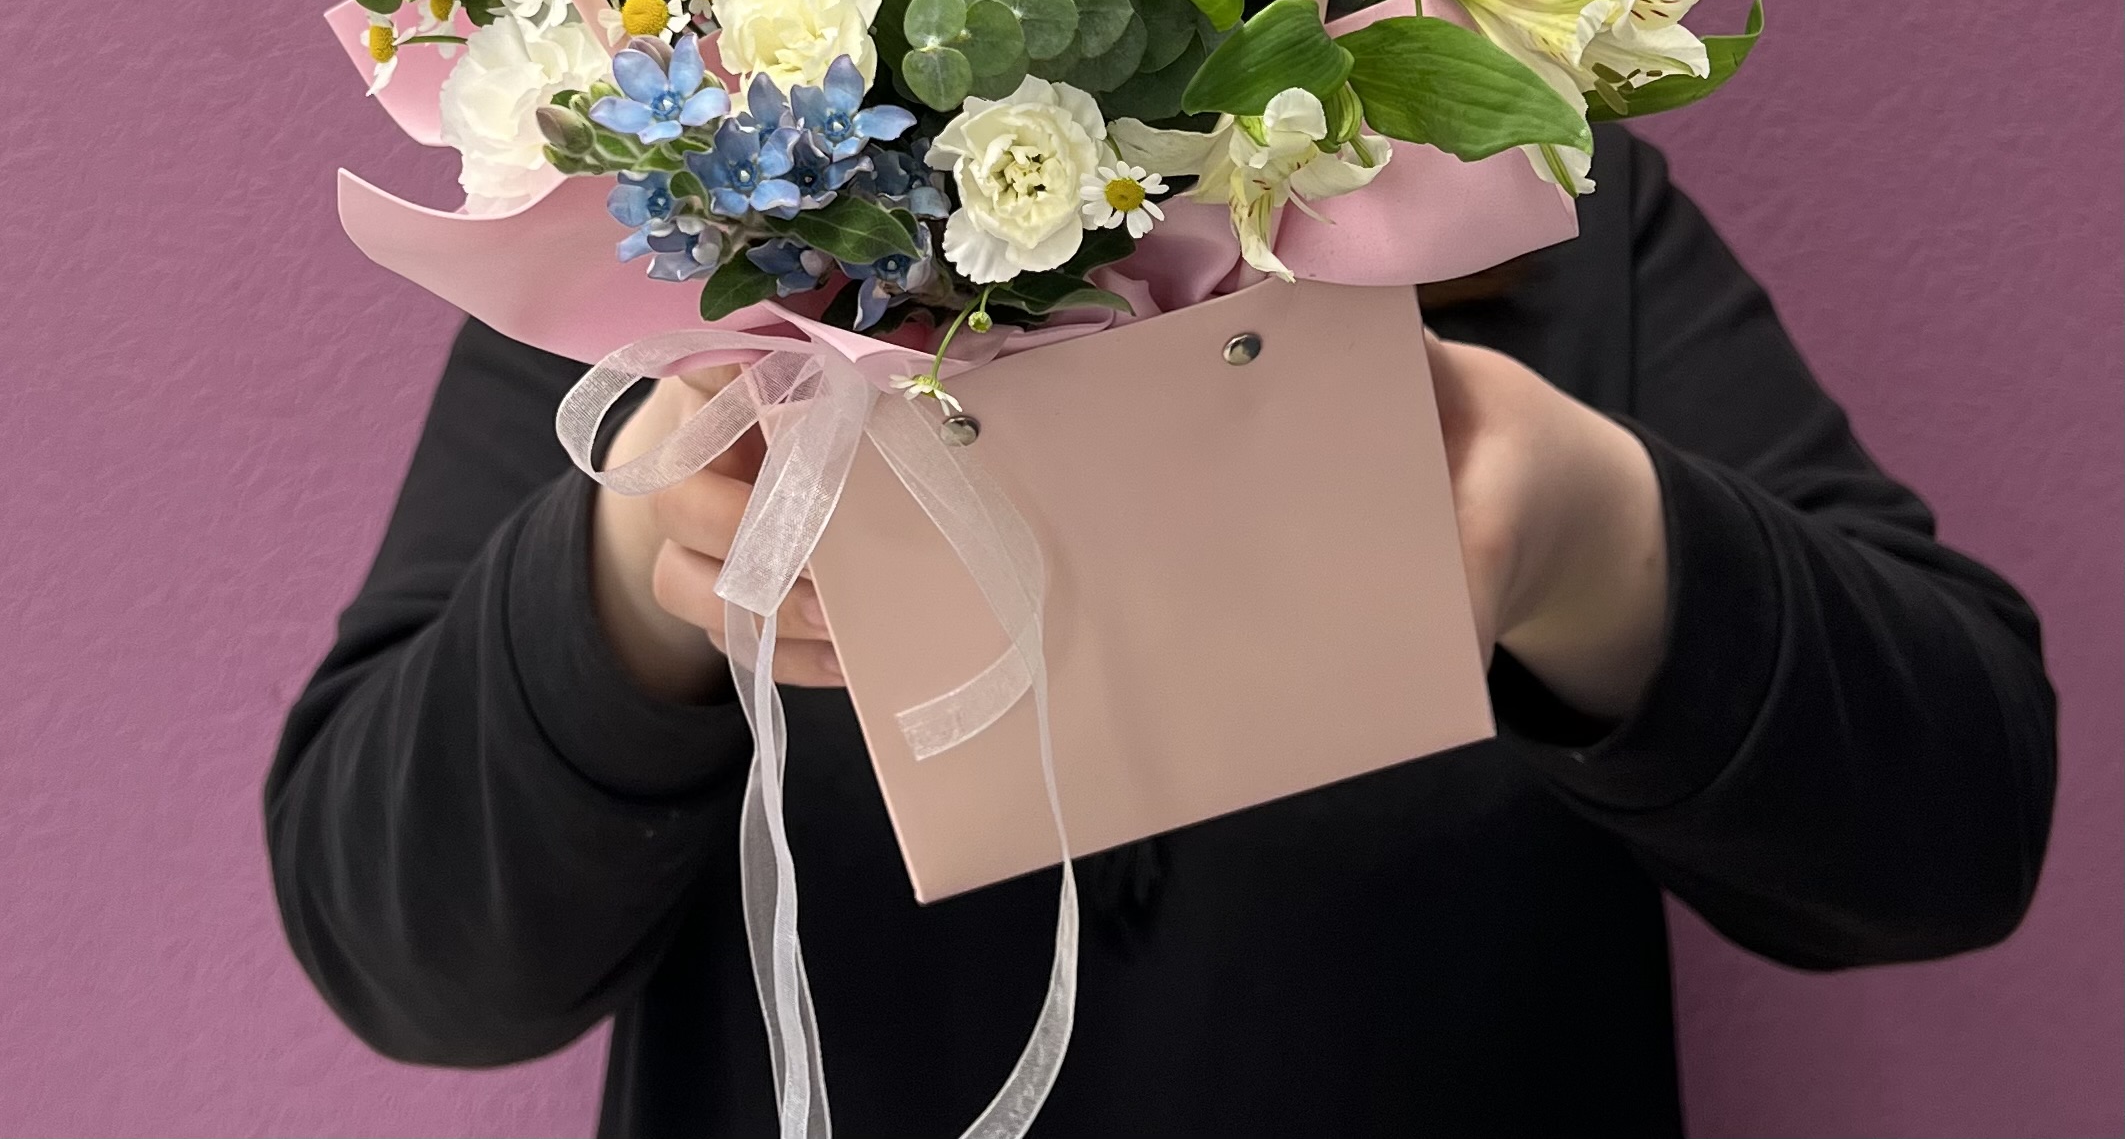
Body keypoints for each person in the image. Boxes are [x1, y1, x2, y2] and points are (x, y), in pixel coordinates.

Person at [264, 128, 2056, 1137]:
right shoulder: (670, 257)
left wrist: (1596, 540)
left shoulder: (1520, 205)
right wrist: (631, 563)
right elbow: (402, 951)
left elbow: (1955, 829)